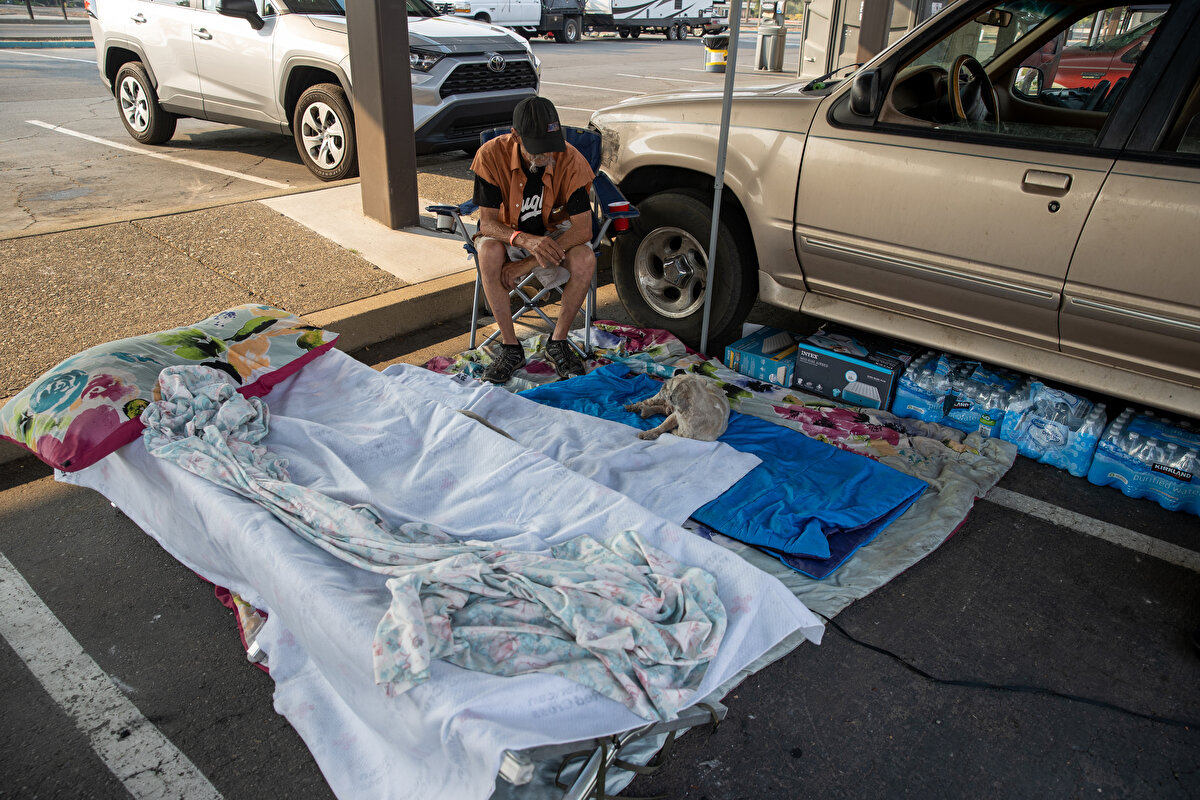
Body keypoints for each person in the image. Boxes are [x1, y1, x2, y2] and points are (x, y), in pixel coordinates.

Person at [469, 96, 596, 384]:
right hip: (508, 232)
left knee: (585, 258)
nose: (547, 156)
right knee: (487, 251)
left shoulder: (570, 159)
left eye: (551, 147)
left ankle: (558, 340)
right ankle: (511, 347)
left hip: (553, 232)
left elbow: (583, 230)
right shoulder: (490, 156)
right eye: (537, 149)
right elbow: (487, 223)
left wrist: (524, 264)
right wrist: (524, 240)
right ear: (515, 136)